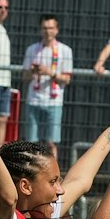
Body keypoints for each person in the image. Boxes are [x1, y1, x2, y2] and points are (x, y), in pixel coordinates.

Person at [21, 14, 74, 147]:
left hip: (54, 101)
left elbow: (67, 79)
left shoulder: (65, 51)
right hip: (34, 100)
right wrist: (32, 71)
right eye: (44, 28)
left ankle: (53, 162)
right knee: (31, 143)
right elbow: (25, 77)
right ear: (40, 30)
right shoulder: (32, 49)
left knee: (51, 143)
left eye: (51, 28)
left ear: (57, 30)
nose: (47, 31)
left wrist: (49, 72)